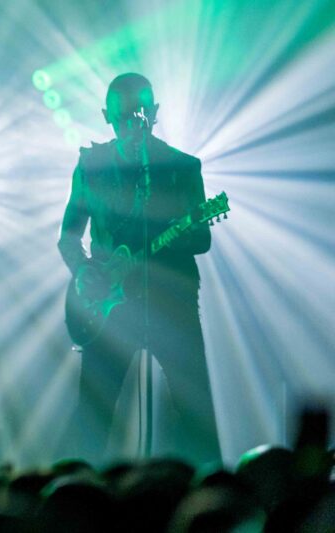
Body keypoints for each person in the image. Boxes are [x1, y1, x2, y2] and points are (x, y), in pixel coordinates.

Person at [58, 73, 220, 466]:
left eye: (139, 116)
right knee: (94, 412)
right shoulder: (91, 165)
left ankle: (206, 488)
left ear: (155, 112)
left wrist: (166, 240)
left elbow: (201, 238)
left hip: (172, 302)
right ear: (106, 116)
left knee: (195, 407)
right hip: (109, 304)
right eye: (121, 118)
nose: (131, 125)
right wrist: (85, 272)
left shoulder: (183, 167)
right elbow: (68, 237)